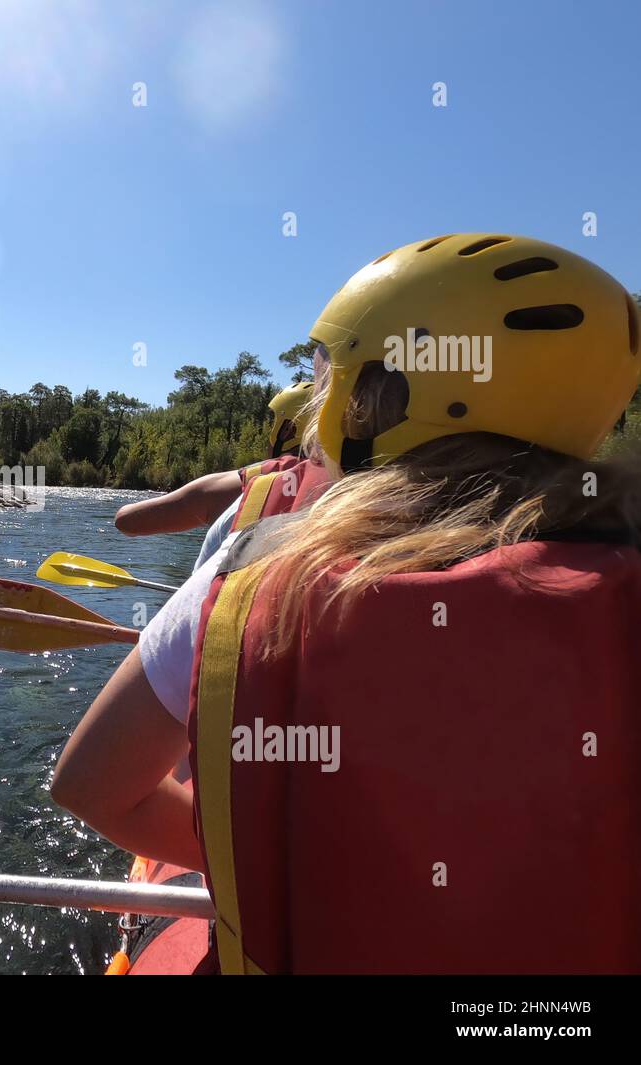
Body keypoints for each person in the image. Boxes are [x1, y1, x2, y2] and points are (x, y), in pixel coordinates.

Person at [52, 233, 641, 973]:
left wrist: (268, 849)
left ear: (382, 401)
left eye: (333, 377)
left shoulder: (255, 566)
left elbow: (89, 787)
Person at [114, 382, 316, 571]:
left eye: (273, 422)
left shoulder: (250, 482)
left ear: (288, 430)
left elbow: (127, 521)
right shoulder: (339, 489)